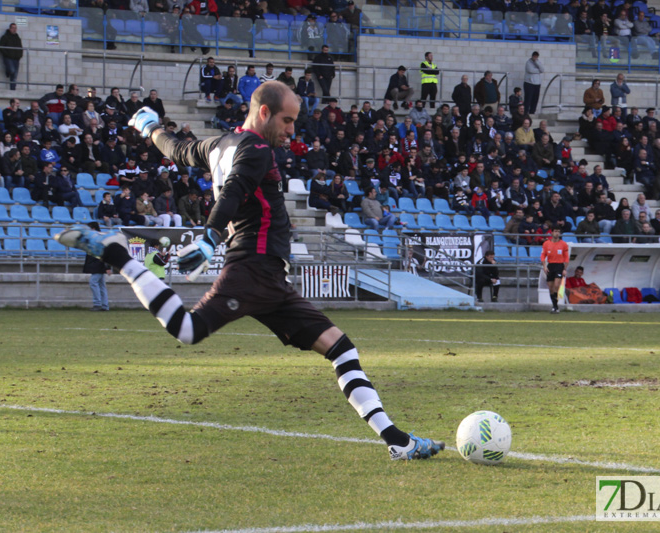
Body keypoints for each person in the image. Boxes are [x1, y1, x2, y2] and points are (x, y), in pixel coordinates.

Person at [56, 81, 445, 461]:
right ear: (264, 112)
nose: (292, 131)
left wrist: (151, 128)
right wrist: (209, 238)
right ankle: (118, 255)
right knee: (188, 330)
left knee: (341, 348)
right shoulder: (257, 149)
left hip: (271, 279)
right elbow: (234, 190)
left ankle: (397, 441)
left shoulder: (217, 144)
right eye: (288, 121)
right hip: (253, 269)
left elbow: (176, 149)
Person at [541, 227, 569, 313]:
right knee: (551, 288)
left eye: (558, 231)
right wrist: (545, 266)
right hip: (550, 265)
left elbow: (566, 257)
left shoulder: (563, 244)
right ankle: (555, 306)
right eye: (555, 231)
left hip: (559, 266)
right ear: (552, 233)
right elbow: (543, 255)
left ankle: (555, 306)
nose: (557, 233)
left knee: (556, 285)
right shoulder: (546, 244)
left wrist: (564, 268)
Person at [83, 221, 110, 311]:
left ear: (93, 229)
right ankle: (105, 305)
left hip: (97, 264)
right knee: (101, 285)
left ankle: (97, 303)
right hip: (98, 264)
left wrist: (107, 267)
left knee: (93, 283)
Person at [0, 23, 23, 91]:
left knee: (14, 75)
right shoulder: (5, 37)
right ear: (10, 29)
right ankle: (7, 71)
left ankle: (13, 89)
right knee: (12, 70)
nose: (14, 30)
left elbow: (20, 47)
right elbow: (0, 46)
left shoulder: (17, 38)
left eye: (15, 28)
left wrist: (20, 55)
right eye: (13, 28)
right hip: (8, 58)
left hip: (16, 59)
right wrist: (6, 54)